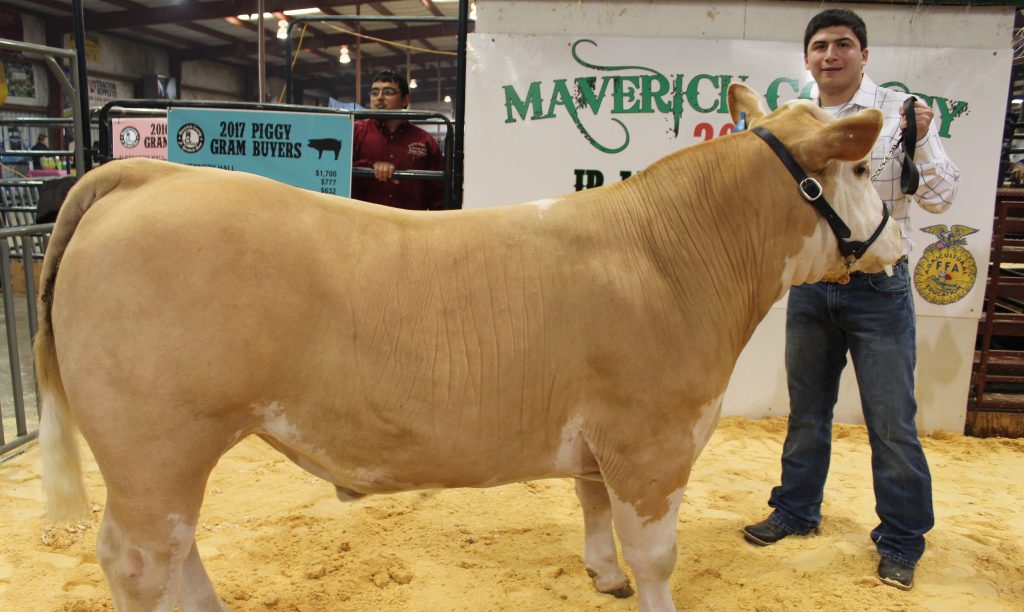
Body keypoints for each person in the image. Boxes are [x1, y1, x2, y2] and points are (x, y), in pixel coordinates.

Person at [742, 8, 960, 592]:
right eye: (819, 46)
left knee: (891, 421)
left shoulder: (900, 111)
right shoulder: (794, 116)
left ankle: (901, 538)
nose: (830, 55)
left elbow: (942, 196)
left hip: (878, 285)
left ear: (864, 54)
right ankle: (795, 510)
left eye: (843, 45)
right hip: (813, 285)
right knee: (807, 412)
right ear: (807, 57)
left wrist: (919, 143)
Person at [351, 70, 444, 210]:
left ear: (406, 99)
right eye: (374, 92)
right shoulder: (355, 132)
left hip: (409, 225)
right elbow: (336, 171)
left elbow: (438, 193)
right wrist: (370, 166)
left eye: (388, 92)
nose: (379, 98)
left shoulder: (425, 140)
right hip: (363, 224)